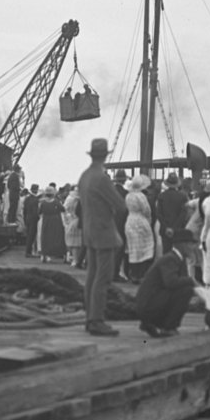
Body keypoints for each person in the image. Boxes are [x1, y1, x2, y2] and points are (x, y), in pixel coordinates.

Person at [78, 138, 129, 337]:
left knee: (91, 276)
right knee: (103, 277)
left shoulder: (85, 176)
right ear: (106, 155)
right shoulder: (101, 177)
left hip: (90, 231)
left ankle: (89, 317)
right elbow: (120, 206)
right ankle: (97, 320)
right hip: (104, 232)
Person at [136, 229, 200, 337]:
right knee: (186, 291)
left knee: (185, 290)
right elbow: (170, 282)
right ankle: (168, 327)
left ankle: (153, 323)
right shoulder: (170, 259)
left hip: (152, 301)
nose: (193, 248)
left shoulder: (177, 259)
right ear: (182, 245)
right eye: (190, 244)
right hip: (148, 306)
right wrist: (191, 280)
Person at [124, 175, 155, 283]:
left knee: (133, 248)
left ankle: (133, 273)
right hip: (140, 220)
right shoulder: (141, 196)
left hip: (130, 220)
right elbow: (146, 210)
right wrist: (149, 220)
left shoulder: (128, 196)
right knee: (144, 247)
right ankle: (141, 274)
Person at [156, 173, 189, 254]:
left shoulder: (161, 196)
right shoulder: (183, 196)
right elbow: (183, 214)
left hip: (164, 230)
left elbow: (159, 214)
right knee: (178, 253)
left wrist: (166, 227)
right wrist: (174, 228)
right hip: (178, 230)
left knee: (166, 252)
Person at [38, 186, 67, 262]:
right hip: (56, 220)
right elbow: (63, 209)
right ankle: (62, 253)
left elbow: (40, 212)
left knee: (45, 237)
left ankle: (45, 254)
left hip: (46, 220)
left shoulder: (43, 203)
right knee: (57, 237)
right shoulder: (56, 202)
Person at [63, 186, 84, 268]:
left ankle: (74, 259)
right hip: (78, 220)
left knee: (73, 243)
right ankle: (77, 259)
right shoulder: (81, 199)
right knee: (78, 242)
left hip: (73, 220)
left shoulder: (70, 199)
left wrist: (67, 218)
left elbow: (65, 209)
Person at [23, 184, 41, 257]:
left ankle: (29, 251)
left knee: (29, 235)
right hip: (34, 219)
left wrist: (25, 219)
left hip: (27, 218)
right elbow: (36, 212)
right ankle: (29, 252)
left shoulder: (27, 199)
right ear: (36, 190)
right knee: (32, 236)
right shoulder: (36, 200)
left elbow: (24, 210)